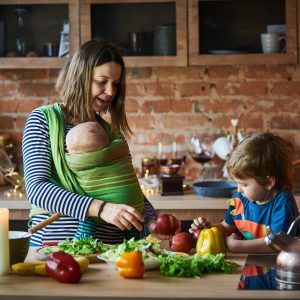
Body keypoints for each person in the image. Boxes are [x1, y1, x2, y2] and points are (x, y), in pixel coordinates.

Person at [22, 38, 157, 246]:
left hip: (112, 252)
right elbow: (38, 190)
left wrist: (152, 222)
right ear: (81, 77)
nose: (111, 91)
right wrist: (102, 209)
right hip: (56, 249)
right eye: (102, 81)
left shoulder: (111, 132)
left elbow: (129, 190)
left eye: (116, 84)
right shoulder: (43, 120)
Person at [189, 132, 299, 253]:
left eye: (244, 184)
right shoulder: (240, 200)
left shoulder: (282, 203)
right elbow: (226, 228)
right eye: (237, 183)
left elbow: (278, 243)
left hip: (277, 265)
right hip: (247, 262)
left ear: (268, 182)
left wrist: (238, 246)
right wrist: (209, 229)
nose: (238, 189)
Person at [65, 121, 144, 240]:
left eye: (71, 150)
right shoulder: (119, 147)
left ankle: (81, 241)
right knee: (133, 230)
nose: (69, 152)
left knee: (86, 219)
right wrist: (148, 220)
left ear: (85, 155)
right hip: (134, 205)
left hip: (97, 215)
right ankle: (136, 241)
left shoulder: (79, 161)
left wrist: (151, 220)